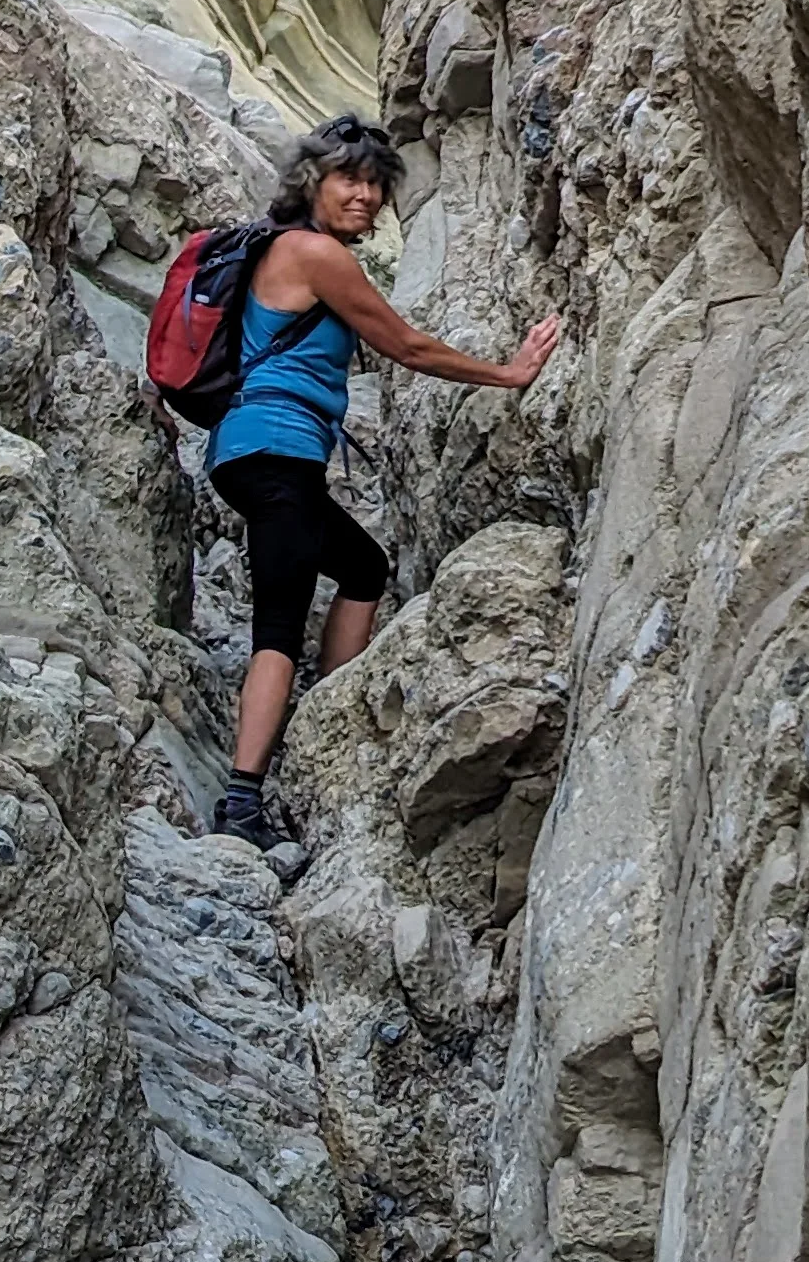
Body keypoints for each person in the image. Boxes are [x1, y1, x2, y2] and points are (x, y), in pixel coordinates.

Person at [205, 113, 560, 844]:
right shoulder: (318, 255)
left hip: (257, 453)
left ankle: (324, 711)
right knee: (277, 621)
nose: (364, 195)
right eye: (348, 179)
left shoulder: (285, 249)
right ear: (313, 183)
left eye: (375, 183)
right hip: (274, 452)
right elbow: (406, 345)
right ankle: (241, 801)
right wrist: (510, 373)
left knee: (363, 567)